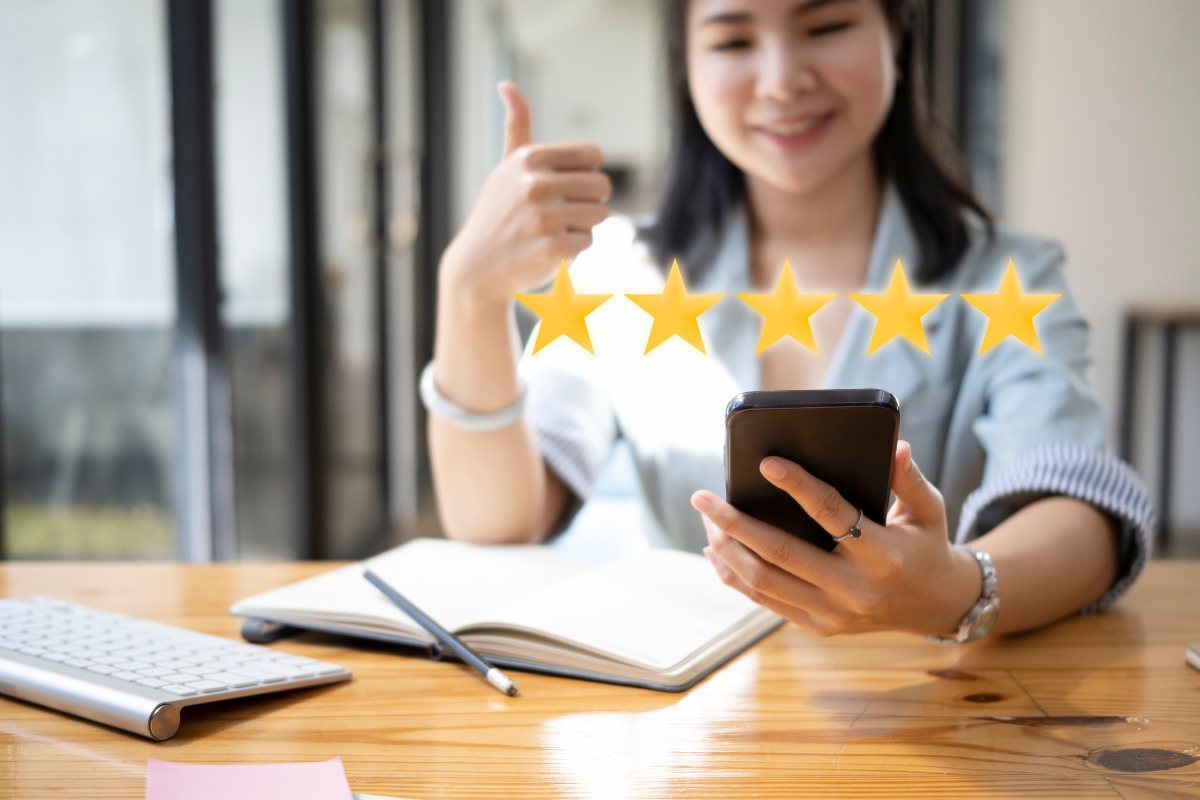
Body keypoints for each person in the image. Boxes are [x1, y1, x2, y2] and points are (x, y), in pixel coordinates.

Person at [425, 0, 1153, 640]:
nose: (781, 80)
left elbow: (1080, 512)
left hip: (936, 717)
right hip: (693, 730)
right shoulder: (619, 271)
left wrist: (955, 589)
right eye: (734, 40)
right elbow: (500, 520)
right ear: (686, 64)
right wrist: (470, 294)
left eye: (827, 23)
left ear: (898, 34)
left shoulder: (1008, 278)